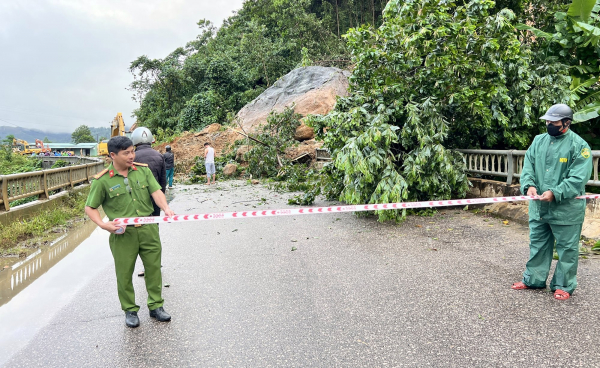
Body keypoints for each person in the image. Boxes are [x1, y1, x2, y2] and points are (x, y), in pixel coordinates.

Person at [84, 136, 175, 328]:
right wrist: (103, 224)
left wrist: (165, 208)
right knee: (124, 273)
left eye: (132, 151)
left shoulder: (143, 171)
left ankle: (156, 306)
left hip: (149, 229)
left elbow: (156, 192)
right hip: (123, 234)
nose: (132, 156)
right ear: (112, 155)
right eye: (126, 153)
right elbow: (90, 208)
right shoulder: (102, 181)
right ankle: (130, 310)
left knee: (153, 269)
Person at [512, 103, 593, 300]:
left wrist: (555, 192)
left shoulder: (579, 146)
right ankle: (533, 279)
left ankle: (563, 285)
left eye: (553, 122)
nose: (549, 124)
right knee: (538, 245)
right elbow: (528, 166)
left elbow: (578, 178)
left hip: (566, 210)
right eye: (547, 121)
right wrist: (529, 186)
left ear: (566, 123)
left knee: (567, 249)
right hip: (539, 207)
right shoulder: (539, 141)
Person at [131, 127, 167, 216]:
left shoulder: (132, 157)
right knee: (155, 221)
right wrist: (161, 196)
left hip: (139, 197)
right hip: (156, 195)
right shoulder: (159, 155)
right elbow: (163, 180)